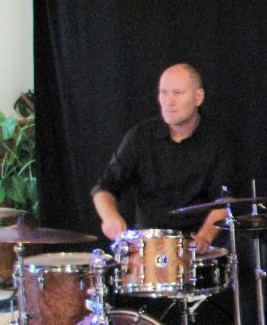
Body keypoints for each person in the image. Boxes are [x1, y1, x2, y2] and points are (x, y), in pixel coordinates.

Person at [92, 63, 233, 252]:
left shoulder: (218, 140)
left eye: (177, 93)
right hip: (148, 250)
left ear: (198, 97)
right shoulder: (140, 137)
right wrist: (110, 217)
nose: (168, 101)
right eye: (163, 93)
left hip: (198, 250)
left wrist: (204, 238)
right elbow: (104, 188)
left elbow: (224, 201)